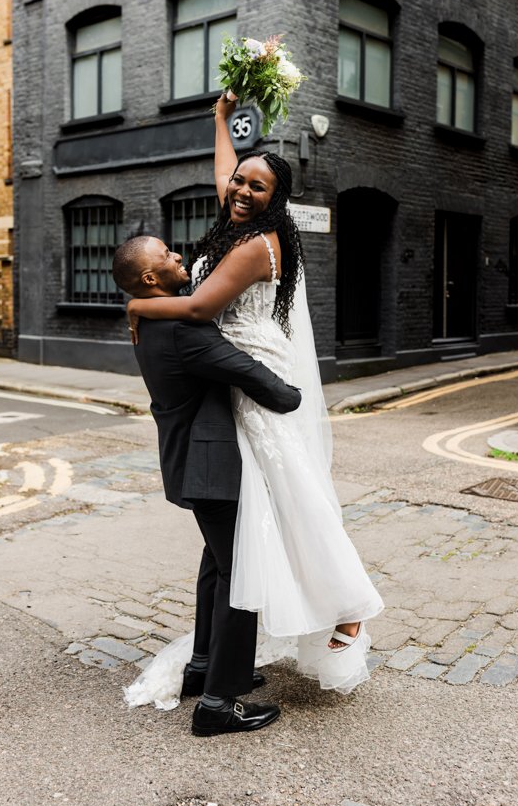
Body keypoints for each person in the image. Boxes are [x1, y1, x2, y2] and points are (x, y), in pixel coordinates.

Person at [125, 94, 384, 702]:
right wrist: (220, 120)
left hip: (249, 371)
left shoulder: (253, 246)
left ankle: (347, 605)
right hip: (230, 371)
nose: (240, 190)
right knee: (253, 523)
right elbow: (224, 172)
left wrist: (137, 304)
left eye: (256, 187)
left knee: (290, 501)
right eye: (241, 182)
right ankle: (216, 664)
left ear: (277, 199)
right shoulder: (242, 216)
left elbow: (197, 307)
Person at [112, 235, 302, 736]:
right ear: (151, 279)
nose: (179, 257)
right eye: (169, 257)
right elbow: (253, 377)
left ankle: (201, 667)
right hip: (212, 469)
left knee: (216, 567)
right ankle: (220, 703)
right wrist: (293, 394)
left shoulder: (151, 320)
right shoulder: (181, 329)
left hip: (190, 465)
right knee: (241, 575)